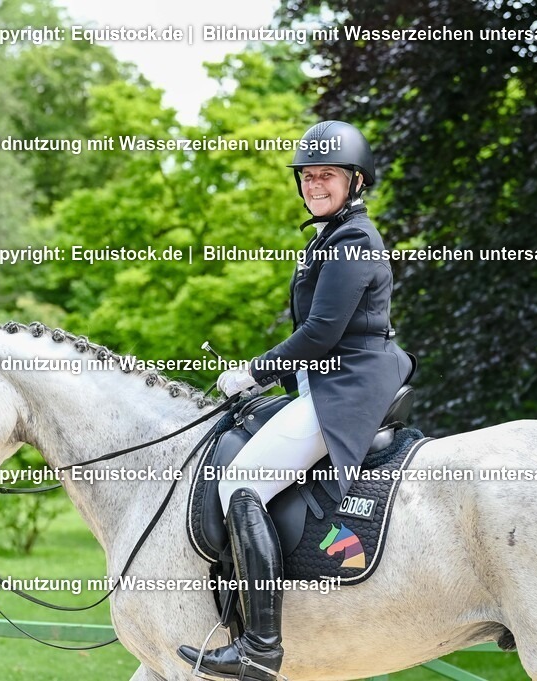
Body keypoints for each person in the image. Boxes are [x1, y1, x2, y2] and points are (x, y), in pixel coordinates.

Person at [178, 121, 414, 680]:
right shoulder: (329, 238)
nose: (314, 186)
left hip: (348, 383)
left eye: (326, 176)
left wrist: (254, 372)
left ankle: (260, 646)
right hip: (329, 376)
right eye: (308, 177)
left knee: (241, 483)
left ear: (356, 181)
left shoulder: (354, 241)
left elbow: (322, 333)